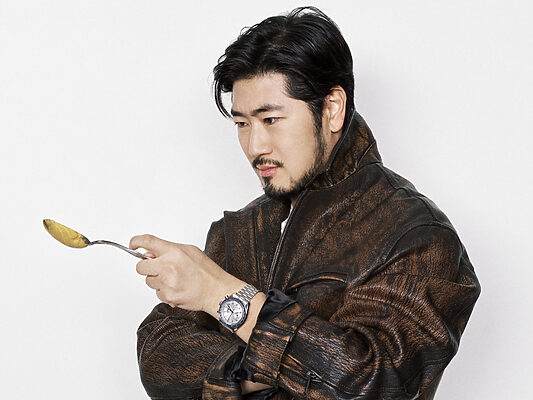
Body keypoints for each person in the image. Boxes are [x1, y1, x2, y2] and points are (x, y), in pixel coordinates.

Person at [129, 6, 481, 399]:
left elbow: (374, 385)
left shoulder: (416, 235)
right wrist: (277, 368)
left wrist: (221, 294)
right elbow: (158, 356)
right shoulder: (241, 229)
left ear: (331, 109)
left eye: (270, 119)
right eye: (242, 123)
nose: (254, 146)